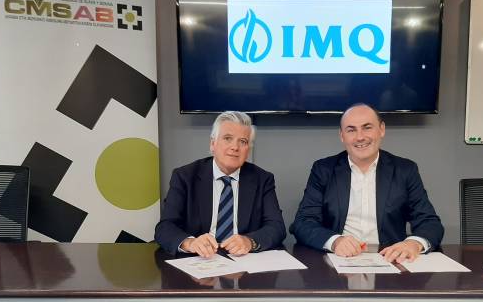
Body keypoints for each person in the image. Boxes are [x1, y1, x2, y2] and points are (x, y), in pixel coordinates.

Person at [290, 103, 443, 263]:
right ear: (342, 136)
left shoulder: (405, 170)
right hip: (338, 261)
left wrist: (413, 244)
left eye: (367, 127)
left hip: (390, 260)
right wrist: (335, 241)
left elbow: (429, 222)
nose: (360, 137)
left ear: (381, 129)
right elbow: (303, 223)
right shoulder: (323, 170)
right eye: (351, 130)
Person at [155, 111, 286, 256]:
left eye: (243, 141)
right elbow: (165, 227)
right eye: (227, 138)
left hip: (243, 259)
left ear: (248, 150)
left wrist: (249, 241)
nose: (235, 147)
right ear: (213, 144)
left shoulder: (262, 179)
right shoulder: (185, 176)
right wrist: (190, 243)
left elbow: (276, 227)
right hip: (200, 259)